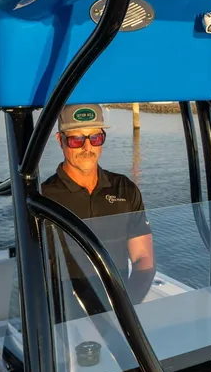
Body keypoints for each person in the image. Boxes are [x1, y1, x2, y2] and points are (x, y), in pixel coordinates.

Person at [41, 103, 155, 312]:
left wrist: (126, 311)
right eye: (77, 140)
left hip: (119, 312)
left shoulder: (125, 189)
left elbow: (143, 259)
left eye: (95, 138)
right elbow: (38, 270)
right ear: (60, 140)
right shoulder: (43, 197)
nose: (87, 148)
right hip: (65, 318)